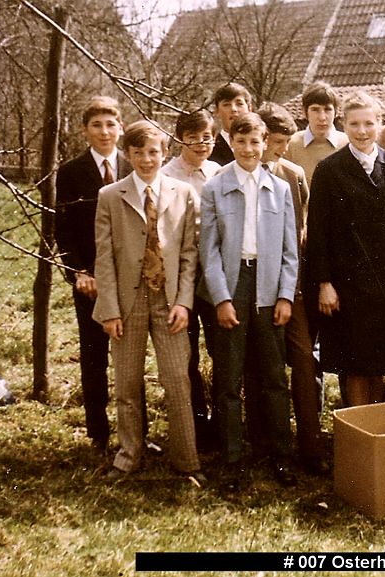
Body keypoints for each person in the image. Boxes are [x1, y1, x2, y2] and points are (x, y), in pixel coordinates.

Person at [93, 120, 202, 482]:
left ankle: (186, 460)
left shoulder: (183, 192)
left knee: (177, 380)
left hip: (168, 300)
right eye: (138, 152)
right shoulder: (111, 196)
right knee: (127, 384)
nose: (146, 159)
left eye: (153, 152)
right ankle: (129, 456)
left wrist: (183, 302)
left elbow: (189, 254)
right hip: (128, 301)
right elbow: (104, 258)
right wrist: (109, 310)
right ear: (127, 154)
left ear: (165, 153)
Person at [306, 91, 385, 407]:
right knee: (357, 365)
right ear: (343, 125)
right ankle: (360, 428)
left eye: (368, 123)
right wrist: (324, 284)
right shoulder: (329, 170)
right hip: (349, 287)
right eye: (354, 124)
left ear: (380, 123)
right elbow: (318, 233)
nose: (362, 131)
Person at [198, 112, 299, 486]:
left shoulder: (279, 188)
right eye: (240, 142)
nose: (248, 149)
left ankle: (280, 454)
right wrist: (221, 298)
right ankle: (232, 458)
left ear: (265, 142)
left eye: (255, 141)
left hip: (268, 285)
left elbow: (290, 250)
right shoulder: (215, 187)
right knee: (229, 377)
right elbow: (208, 251)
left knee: (274, 375)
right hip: (233, 282)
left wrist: (285, 296)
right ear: (231, 142)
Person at [55, 96, 143, 456]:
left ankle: (136, 432)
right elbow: (63, 231)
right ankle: (98, 433)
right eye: (96, 125)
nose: (104, 132)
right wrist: (79, 272)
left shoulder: (133, 165)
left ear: (121, 128)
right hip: (91, 279)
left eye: (110, 124)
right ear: (84, 131)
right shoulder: (71, 172)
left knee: (132, 358)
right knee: (94, 357)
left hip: (132, 278)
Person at [255, 102, 328, 475]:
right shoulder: (241, 173)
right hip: (254, 286)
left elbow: (303, 230)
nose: (282, 149)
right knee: (263, 367)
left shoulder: (293, 174)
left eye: (286, 142)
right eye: (276, 142)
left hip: (292, 283)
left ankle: (311, 445)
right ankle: (268, 442)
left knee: (304, 361)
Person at [161, 109, 221, 452]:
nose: (201, 144)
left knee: (220, 349)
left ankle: (221, 422)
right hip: (180, 276)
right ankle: (195, 424)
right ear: (180, 139)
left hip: (213, 276)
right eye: (193, 137)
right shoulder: (166, 176)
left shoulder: (217, 172)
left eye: (207, 137)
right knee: (186, 354)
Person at [285, 81, 348, 185]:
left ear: (336, 112)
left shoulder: (347, 144)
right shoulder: (291, 144)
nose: (322, 117)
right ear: (304, 112)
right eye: (315, 109)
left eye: (328, 109)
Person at [208, 82, 252, 166]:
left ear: (249, 108)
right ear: (216, 111)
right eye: (226, 105)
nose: (233, 109)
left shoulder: (259, 147)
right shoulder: (210, 149)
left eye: (239, 104)